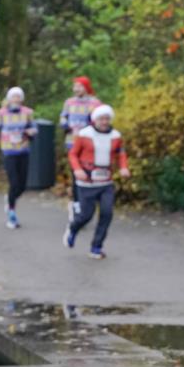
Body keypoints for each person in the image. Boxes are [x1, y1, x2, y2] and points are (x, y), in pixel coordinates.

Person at [64, 104, 130, 258]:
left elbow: (121, 154)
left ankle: (96, 247)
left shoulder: (116, 136)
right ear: (95, 120)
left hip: (106, 182)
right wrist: (77, 170)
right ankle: (73, 229)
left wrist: (123, 167)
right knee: (86, 215)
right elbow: (73, 154)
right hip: (87, 181)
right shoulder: (84, 134)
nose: (104, 122)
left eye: (107, 118)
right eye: (101, 119)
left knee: (107, 213)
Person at [0, 87, 36, 229]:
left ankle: (10, 198)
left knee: (22, 186)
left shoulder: (28, 112)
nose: (16, 99)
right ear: (9, 99)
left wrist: (30, 131)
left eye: (18, 97)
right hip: (8, 151)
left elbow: (34, 128)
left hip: (23, 150)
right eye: (13, 97)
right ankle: (11, 213)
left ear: (21, 99)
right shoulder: (1, 113)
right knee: (14, 183)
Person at [60, 76, 102, 215]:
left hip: (90, 144)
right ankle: (77, 203)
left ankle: (87, 203)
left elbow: (99, 121)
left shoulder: (95, 103)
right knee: (76, 174)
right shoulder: (69, 102)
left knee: (89, 174)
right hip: (72, 142)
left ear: (86, 87)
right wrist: (66, 125)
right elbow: (63, 117)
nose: (76, 89)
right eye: (75, 86)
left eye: (79, 86)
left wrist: (90, 125)